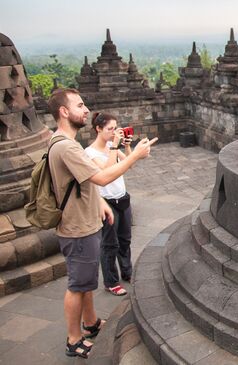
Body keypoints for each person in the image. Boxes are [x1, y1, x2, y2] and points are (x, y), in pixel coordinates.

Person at [47, 88, 157, 358]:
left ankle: (91, 322)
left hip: (84, 221)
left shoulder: (63, 143)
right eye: (80, 105)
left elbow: (82, 184)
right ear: (64, 111)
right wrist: (133, 155)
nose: (86, 110)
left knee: (86, 282)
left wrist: (100, 203)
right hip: (77, 227)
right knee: (77, 284)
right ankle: (74, 340)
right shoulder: (66, 147)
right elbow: (101, 178)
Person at [85, 113, 133, 296]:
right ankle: (111, 281)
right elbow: (107, 171)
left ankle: (127, 272)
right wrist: (114, 146)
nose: (114, 132)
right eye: (110, 129)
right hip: (107, 202)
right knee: (109, 244)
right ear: (98, 129)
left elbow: (129, 164)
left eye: (115, 128)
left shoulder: (111, 146)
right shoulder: (90, 153)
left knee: (125, 239)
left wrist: (127, 146)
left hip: (123, 197)